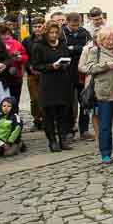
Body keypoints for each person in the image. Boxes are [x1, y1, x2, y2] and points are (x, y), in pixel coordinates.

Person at [82, 27, 113, 164]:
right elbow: (89, 68)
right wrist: (105, 65)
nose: (110, 41)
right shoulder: (95, 51)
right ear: (101, 40)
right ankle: (105, 152)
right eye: (107, 38)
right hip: (104, 94)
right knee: (105, 126)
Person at [31, 22, 73, 152]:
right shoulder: (39, 46)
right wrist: (50, 66)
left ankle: (63, 139)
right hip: (48, 82)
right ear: (46, 33)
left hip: (62, 81)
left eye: (56, 33)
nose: (54, 35)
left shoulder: (62, 44)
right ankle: (52, 141)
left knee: (63, 112)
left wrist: (64, 64)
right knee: (49, 113)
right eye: (51, 33)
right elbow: (36, 65)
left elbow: (67, 57)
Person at [62, 12, 92, 141]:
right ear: (67, 22)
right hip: (67, 73)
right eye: (73, 25)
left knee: (85, 102)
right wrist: (78, 49)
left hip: (81, 72)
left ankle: (84, 130)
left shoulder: (84, 33)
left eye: (77, 25)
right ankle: (69, 130)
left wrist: (73, 48)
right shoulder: (61, 33)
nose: (75, 27)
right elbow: (63, 50)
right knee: (68, 103)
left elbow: (89, 48)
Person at [0, 24, 28, 112]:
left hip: (15, 76)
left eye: (7, 34)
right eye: (2, 34)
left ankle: (15, 118)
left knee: (14, 101)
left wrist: (20, 58)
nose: (5, 37)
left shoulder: (16, 43)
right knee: (3, 102)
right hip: (2, 77)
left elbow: (25, 56)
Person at [22, 17, 45, 131]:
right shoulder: (27, 40)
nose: (37, 29)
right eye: (35, 26)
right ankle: (37, 119)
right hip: (32, 73)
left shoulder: (47, 39)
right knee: (34, 98)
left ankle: (47, 119)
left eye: (39, 26)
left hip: (45, 72)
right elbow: (24, 56)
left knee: (46, 97)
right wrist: (29, 67)